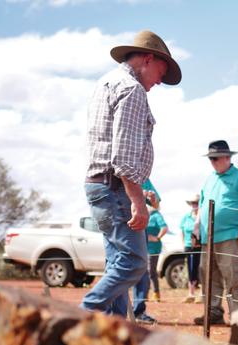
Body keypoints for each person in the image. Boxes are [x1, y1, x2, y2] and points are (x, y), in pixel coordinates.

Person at [82, 30, 181, 316]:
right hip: (113, 188)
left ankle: (114, 332)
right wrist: (139, 201)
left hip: (99, 185)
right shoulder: (131, 88)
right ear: (148, 59)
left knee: (117, 262)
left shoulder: (107, 82)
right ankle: (82, 314)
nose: (160, 81)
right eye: (161, 72)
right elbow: (123, 157)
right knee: (135, 264)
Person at [194, 140, 238, 325]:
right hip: (208, 237)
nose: (213, 162)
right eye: (210, 159)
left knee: (233, 276)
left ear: (227, 157)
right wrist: (196, 225)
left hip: (230, 235)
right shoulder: (210, 178)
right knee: (208, 276)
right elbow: (202, 204)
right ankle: (213, 312)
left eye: (216, 158)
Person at [131, 205, 167, 324]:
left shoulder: (156, 215)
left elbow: (164, 227)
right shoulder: (140, 211)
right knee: (144, 275)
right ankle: (136, 308)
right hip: (142, 248)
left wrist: (156, 238)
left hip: (152, 250)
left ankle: (153, 296)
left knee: (150, 273)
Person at [180, 194, 201, 303]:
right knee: (191, 268)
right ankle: (191, 293)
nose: (194, 205)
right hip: (189, 246)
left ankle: (202, 293)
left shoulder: (202, 217)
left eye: (196, 203)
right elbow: (182, 231)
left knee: (200, 268)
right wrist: (184, 243)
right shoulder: (186, 217)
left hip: (200, 246)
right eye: (193, 203)